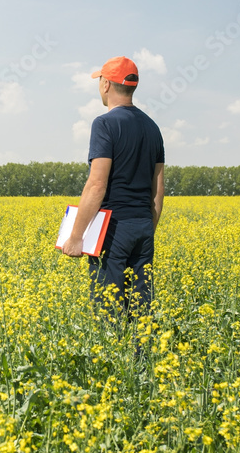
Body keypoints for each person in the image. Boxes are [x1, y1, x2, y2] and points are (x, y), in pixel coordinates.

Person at [61, 56, 165, 319]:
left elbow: (96, 185)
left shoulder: (105, 124)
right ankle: (141, 360)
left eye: (100, 81)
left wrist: (75, 237)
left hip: (113, 228)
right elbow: (158, 190)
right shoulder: (153, 129)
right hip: (143, 225)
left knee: (109, 311)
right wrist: (147, 229)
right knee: (141, 310)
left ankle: (113, 359)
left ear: (106, 84)